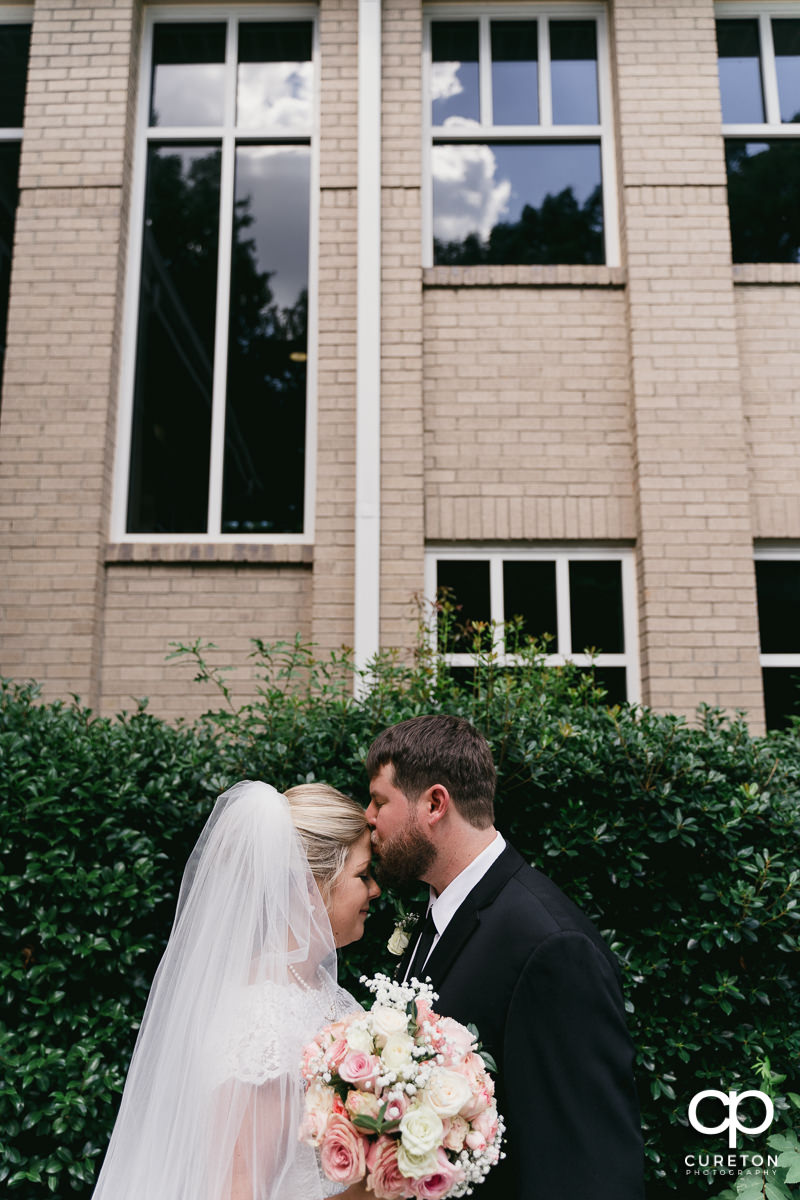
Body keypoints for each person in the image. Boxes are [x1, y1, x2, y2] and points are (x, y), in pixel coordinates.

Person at [365, 715, 645, 1200]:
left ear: (434, 803)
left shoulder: (552, 947)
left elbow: (588, 1166)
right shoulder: (437, 915)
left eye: (379, 801)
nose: (368, 816)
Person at [91, 780, 379, 1200]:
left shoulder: (311, 985)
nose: (374, 890)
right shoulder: (262, 1020)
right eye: (363, 875)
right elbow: (239, 1188)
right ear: (310, 887)